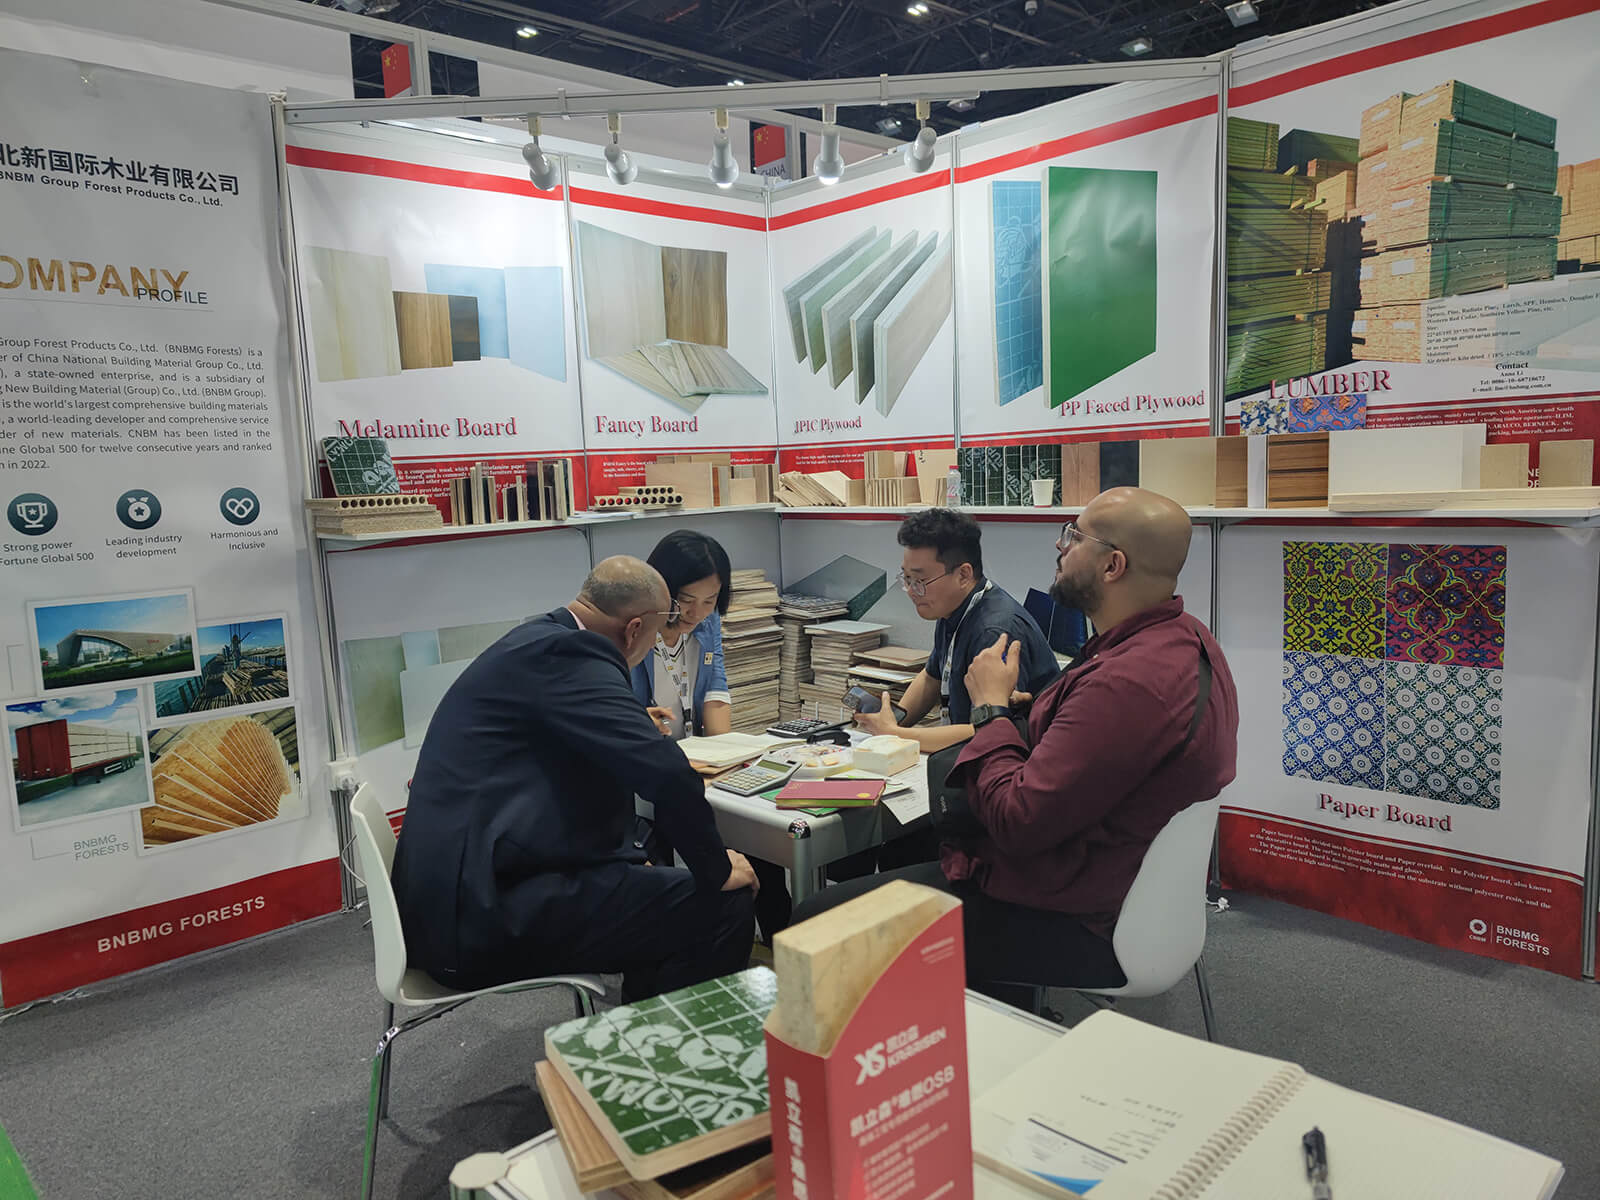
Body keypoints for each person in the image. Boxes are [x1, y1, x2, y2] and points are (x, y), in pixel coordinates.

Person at [790, 488, 1239, 1000]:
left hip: (1077, 913)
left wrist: (990, 710)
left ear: (1113, 565)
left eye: (1074, 537)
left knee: (815, 925)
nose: (1059, 546)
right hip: (1116, 886)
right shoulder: (1181, 640)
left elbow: (1016, 821)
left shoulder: (1125, 681)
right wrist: (1030, 714)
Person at [390, 555, 758, 1001]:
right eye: (657, 634)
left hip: (452, 892)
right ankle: (666, 1040)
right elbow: (667, 773)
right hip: (478, 916)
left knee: (646, 858)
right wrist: (717, 869)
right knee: (723, 902)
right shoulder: (576, 656)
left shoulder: (540, 637)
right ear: (634, 629)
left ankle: (639, 1022)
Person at [631, 530, 793, 940]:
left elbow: (716, 687)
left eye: (710, 601)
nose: (697, 612)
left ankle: (782, 941)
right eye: (686, 599)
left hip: (697, 763)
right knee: (669, 862)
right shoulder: (634, 630)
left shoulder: (707, 623)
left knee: (758, 834)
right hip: (648, 769)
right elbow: (623, 713)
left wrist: (728, 755)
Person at [853, 507, 1060, 753]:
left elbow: (993, 731)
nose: (911, 591)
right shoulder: (952, 607)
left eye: (920, 581)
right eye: (906, 579)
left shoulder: (994, 631)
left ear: (963, 575)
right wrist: (894, 722)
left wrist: (897, 734)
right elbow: (931, 677)